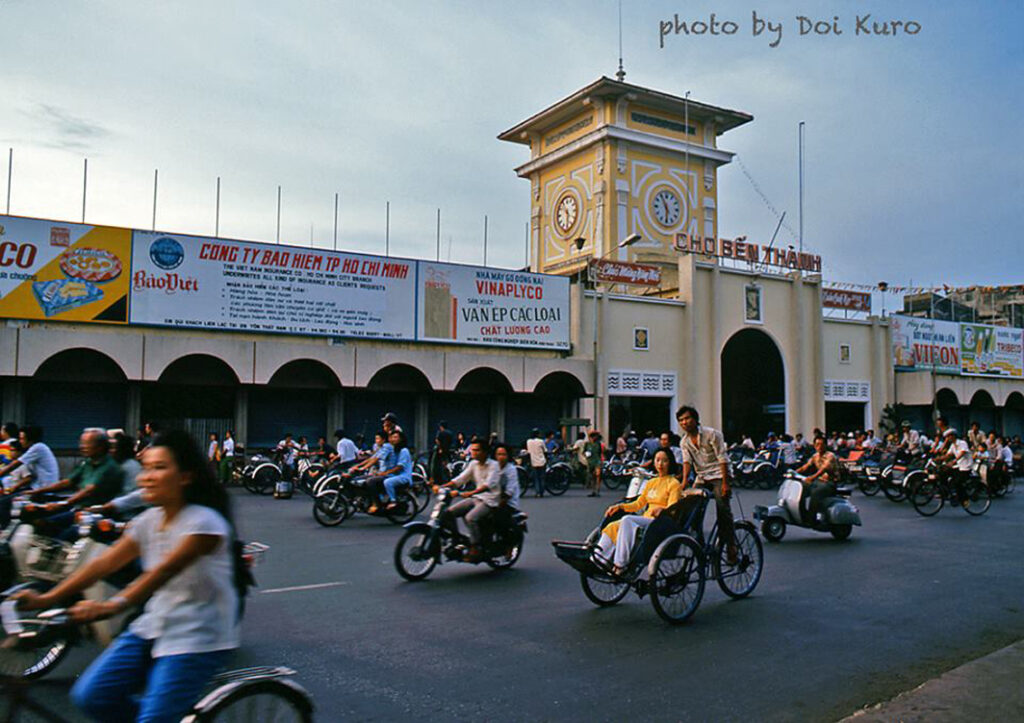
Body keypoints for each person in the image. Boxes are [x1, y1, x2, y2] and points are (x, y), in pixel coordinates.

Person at [14, 430, 242, 722]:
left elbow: (163, 572)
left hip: (198, 635)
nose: (146, 477)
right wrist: (46, 598)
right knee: (90, 696)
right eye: (146, 468)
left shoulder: (205, 524)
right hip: (156, 622)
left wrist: (111, 606)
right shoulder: (149, 520)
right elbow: (103, 563)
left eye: (159, 468)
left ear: (185, 477)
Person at [595, 449, 681, 576]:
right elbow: (638, 504)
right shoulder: (651, 482)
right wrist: (620, 507)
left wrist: (663, 510)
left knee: (627, 520)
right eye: (657, 460)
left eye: (664, 461)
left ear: (670, 463)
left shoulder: (674, 484)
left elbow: (673, 508)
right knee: (613, 526)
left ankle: (620, 564)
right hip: (646, 519)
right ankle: (597, 560)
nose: (660, 464)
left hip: (659, 522)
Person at [30, 429, 125, 540]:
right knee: (42, 523)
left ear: (100, 446)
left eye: (87, 444)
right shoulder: (87, 462)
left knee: (63, 537)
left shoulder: (109, 467)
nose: (82, 447)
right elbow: (67, 482)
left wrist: (63, 503)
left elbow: (89, 490)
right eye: (81, 443)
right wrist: (37, 491)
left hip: (95, 514)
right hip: (79, 509)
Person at [677, 405, 736, 564]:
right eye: (681, 420)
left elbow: (722, 458)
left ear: (695, 419)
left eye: (687, 418)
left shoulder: (712, 434)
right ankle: (700, 545)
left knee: (722, 508)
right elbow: (687, 462)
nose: (684, 422)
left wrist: (725, 483)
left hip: (719, 475)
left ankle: (731, 546)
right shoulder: (684, 442)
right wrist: (684, 482)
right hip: (702, 477)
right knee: (691, 508)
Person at [439, 438, 500, 562]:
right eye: (472, 450)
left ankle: (475, 546)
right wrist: (442, 486)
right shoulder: (473, 464)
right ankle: (456, 538)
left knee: (470, 518)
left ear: (485, 452)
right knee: (448, 513)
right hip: (477, 498)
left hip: (490, 500)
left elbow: (488, 485)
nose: (473, 452)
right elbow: (461, 479)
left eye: (477, 450)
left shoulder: (494, 466)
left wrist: (469, 493)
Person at [0, 424, 59, 493]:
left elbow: (14, 465)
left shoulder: (38, 447)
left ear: (30, 439)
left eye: (22, 439)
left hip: (43, 487)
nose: (20, 441)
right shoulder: (35, 448)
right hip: (37, 486)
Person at [796, 436, 840, 523]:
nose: (819, 446)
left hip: (830, 483)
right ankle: (802, 514)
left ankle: (811, 518)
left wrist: (812, 477)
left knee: (815, 492)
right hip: (819, 481)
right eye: (817, 444)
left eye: (821, 444)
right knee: (801, 488)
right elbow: (805, 466)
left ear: (825, 445)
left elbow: (823, 469)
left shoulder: (830, 456)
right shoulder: (815, 456)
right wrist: (793, 472)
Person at [939, 429, 972, 505]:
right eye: (947, 437)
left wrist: (954, 461)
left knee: (958, 482)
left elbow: (962, 453)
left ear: (953, 436)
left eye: (949, 436)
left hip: (966, 467)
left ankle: (965, 499)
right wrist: (938, 459)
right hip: (958, 466)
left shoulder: (962, 443)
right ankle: (947, 493)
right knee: (943, 473)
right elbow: (948, 455)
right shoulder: (952, 445)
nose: (948, 438)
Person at [526, 428, 547, 498]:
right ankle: (541, 492)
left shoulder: (528, 441)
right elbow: (545, 450)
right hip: (542, 461)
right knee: (542, 477)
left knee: (536, 478)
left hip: (534, 462)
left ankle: (537, 492)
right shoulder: (541, 441)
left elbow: (529, 451)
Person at [584, 430, 604, 497]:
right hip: (590, 462)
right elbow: (584, 452)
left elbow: (601, 452)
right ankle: (593, 491)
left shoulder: (598, 444)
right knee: (592, 477)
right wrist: (586, 455)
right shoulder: (587, 444)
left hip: (597, 461)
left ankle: (597, 490)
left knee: (598, 475)